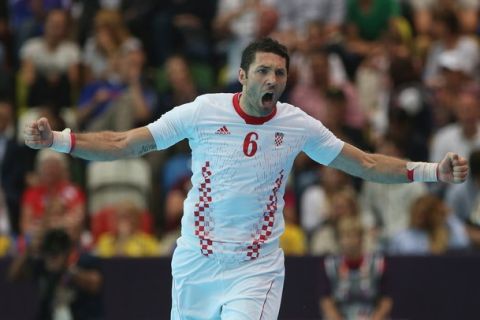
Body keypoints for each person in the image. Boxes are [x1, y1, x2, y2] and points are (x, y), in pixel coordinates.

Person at [24, 37, 468, 319]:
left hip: (256, 267)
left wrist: (431, 172)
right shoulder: (202, 112)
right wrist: (60, 141)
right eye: (263, 70)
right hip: (196, 261)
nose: (272, 79)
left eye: (279, 72)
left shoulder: (297, 124)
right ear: (242, 76)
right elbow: (126, 143)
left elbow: (366, 164)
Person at [319, 216, 392, 320]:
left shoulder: (378, 264)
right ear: (339, 240)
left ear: (361, 238)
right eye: (345, 236)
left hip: (371, 315)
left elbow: (386, 299)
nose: (349, 241)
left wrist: (376, 317)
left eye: (354, 236)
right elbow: (326, 301)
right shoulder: (330, 265)